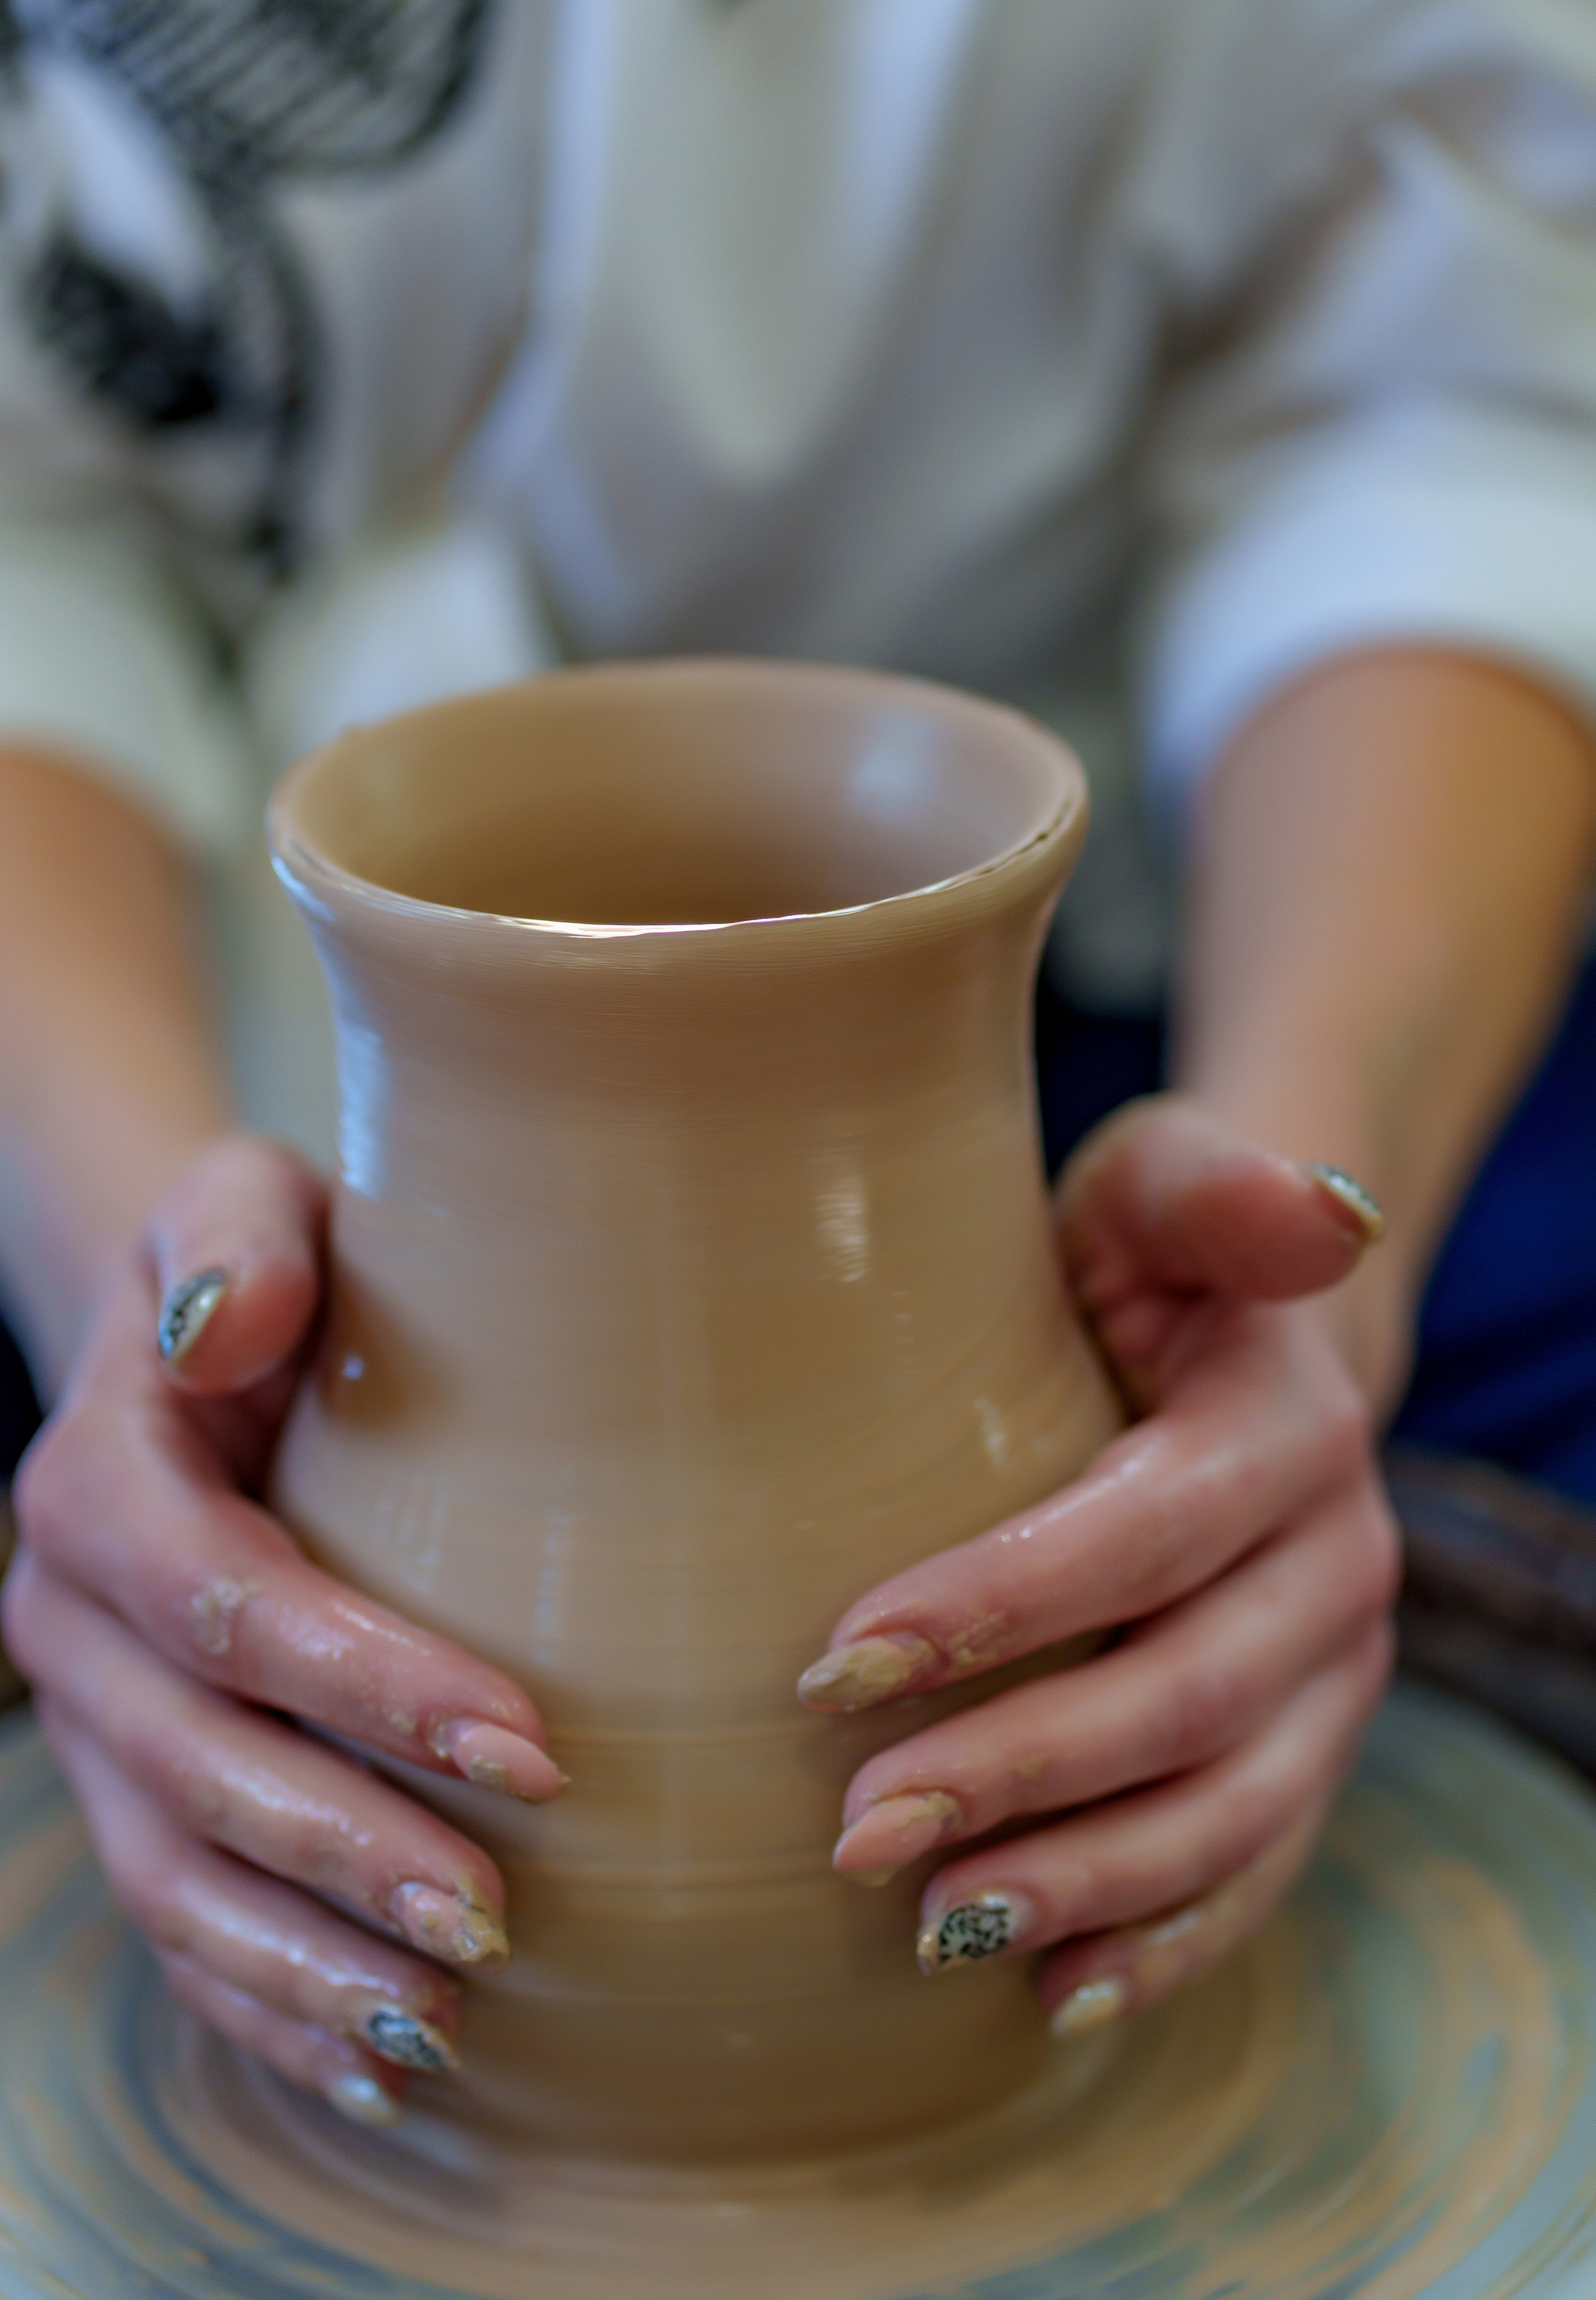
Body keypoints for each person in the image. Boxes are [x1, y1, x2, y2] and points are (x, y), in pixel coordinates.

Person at [0, 0, 1594, 2127]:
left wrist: (1307, 1239)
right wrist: (144, 1313)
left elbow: (1441, 412)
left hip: (1118, 975)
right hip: (131, 948)